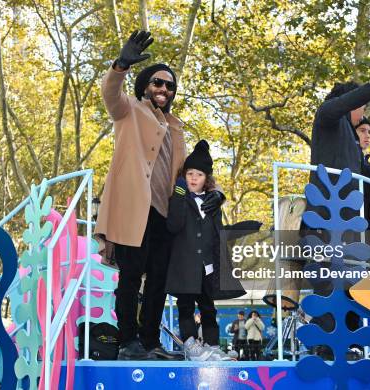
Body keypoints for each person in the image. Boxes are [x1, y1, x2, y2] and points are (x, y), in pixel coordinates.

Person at [95, 30, 225, 360]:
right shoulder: (129, 111)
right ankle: (127, 341)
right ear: (145, 86)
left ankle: (150, 342)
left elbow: (189, 171)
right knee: (129, 277)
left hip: (167, 215)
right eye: (157, 83)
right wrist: (121, 64)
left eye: (169, 85)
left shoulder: (176, 127)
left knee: (158, 282)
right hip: (133, 211)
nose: (164, 89)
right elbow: (110, 94)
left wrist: (214, 191)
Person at [306, 62, 370, 225]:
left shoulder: (352, 139)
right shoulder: (326, 116)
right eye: (362, 107)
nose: (363, 113)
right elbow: (340, 104)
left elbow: (368, 176)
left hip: (350, 217)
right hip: (325, 213)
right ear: (351, 104)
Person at [165, 140, 232, 361]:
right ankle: (190, 345)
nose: (194, 178)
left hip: (207, 266)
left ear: (207, 179)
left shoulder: (212, 202)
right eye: (190, 173)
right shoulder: (180, 198)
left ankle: (212, 344)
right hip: (184, 265)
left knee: (208, 307)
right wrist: (178, 196)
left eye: (199, 175)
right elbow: (173, 225)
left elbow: (217, 232)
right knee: (185, 306)